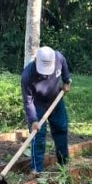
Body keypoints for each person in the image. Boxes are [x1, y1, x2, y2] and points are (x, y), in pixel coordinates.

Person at [21, 46, 72, 174]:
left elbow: (65, 71)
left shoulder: (59, 58)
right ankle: (37, 170)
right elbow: (28, 101)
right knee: (38, 135)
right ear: (36, 60)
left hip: (56, 100)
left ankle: (63, 164)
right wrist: (33, 120)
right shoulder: (27, 75)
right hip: (37, 105)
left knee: (61, 129)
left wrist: (66, 81)